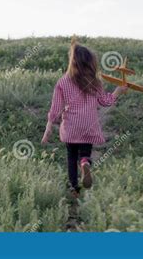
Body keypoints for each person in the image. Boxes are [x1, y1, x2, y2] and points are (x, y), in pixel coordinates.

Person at [41, 43, 127, 198]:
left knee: (71, 156)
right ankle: (85, 163)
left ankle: (74, 189)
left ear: (72, 62)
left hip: (71, 127)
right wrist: (117, 91)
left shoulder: (63, 82)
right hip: (88, 125)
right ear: (91, 63)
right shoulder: (95, 82)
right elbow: (105, 102)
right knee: (85, 153)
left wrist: (48, 127)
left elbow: (56, 107)